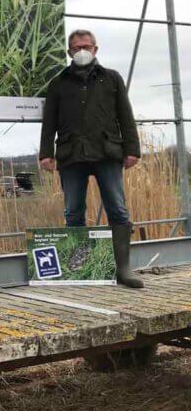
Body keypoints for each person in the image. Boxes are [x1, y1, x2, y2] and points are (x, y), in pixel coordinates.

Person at [39, 29, 143, 288]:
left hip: (107, 152)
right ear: (69, 52)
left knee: (117, 209)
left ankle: (124, 269)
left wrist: (133, 149)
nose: (81, 51)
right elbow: (48, 120)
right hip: (71, 154)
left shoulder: (112, 79)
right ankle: (81, 269)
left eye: (86, 46)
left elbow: (125, 116)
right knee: (73, 211)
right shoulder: (58, 83)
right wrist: (45, 154)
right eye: (76, 47)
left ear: (95, 49)